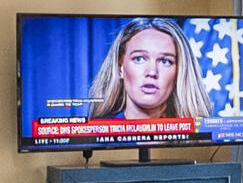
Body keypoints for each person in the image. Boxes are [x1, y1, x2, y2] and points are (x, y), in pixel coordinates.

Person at [83, 18, 212, 126]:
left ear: (179, 72)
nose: (152, 72)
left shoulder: (198, 134)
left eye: (165, 61)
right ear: (120, 68)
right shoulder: (99, 133)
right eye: (139, 59)